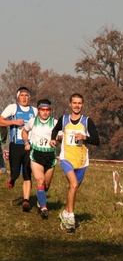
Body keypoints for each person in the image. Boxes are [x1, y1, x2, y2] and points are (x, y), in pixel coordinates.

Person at [50, 93, 100, 232]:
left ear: (82, 105)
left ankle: (65, 212)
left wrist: (84, 137)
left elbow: (96, 140)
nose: (77, 105)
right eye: (74, 103)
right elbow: (55, 129)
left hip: (82, 162)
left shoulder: (87, 121)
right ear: (70, 104)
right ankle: (71, 216)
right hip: (66, 159)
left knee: (74, 188)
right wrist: (53, 138)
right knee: (73, 184)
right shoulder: (64, 119)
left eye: (79, 103)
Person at [0, 87, 37, 211]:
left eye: (27, 95)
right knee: (15, 173)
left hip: (29, 146)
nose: (24, 97)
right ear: (18, 97)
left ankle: (26, 200)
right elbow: (0, 121)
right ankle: (12, 179)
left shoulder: (34, 111)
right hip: (15, 145)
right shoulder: (13, 108)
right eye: (22, 95)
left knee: (27, 173)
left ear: (29, 97)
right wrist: (14, 122)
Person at [22, 99, 57, 219]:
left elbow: (62, 135)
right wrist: (26, 142)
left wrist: (58, 139)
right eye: (43, 109)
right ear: (38, 110)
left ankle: (40, 197)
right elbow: (24, 131)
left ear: (50, 111)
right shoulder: (32, 121)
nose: (45, 112)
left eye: (47, 110)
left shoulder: (55, 123)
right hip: (36, 155)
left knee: (46, 185)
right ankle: (44, 208)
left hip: (50, 156)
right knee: (40, 180)